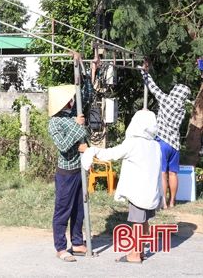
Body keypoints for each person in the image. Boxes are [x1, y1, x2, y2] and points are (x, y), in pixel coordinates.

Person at [79, 109, 162, 264]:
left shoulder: (133, 143)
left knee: (137, 222)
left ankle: (135, 255)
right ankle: (139, 250)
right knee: (143, 221)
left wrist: (90, 150)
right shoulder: (155, 145)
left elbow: (111, 154)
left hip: (138, 191)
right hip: (151, 192)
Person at [48, 54, 97, 262]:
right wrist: (79, 130)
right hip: (66, 172)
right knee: (63, 209)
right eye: (69, 98)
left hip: (80, 169)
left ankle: (77, 242)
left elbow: (86, 93)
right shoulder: (54, 122)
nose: (72, 100)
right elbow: (63, 146)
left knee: (80, 208)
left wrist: (87, 69)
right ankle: (61, 247)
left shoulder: (73, 113)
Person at [141, 63, 191, 208]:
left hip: (162, 142)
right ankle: (172, 201)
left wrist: (145, 73)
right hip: (175, 144)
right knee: (173, 173)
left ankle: (163, 202)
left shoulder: (166, 100)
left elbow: (153, 88)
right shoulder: (182, 109)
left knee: (162, 173)